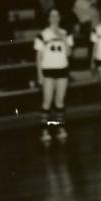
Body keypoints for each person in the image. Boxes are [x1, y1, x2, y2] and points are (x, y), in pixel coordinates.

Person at [34, 8, 73, 144]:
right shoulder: (42, 34)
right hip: (48, 70)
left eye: (57, 15)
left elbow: (69, 53)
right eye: (52, 15)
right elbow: (38, 58)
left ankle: (59, 128)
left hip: (62, 69)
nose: (55, 18)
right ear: (48, 18)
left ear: (59, 18)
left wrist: (63, 39)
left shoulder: (66, 33)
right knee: (47, 101)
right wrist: (39, 75)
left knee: (60, 101)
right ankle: (44, 130)